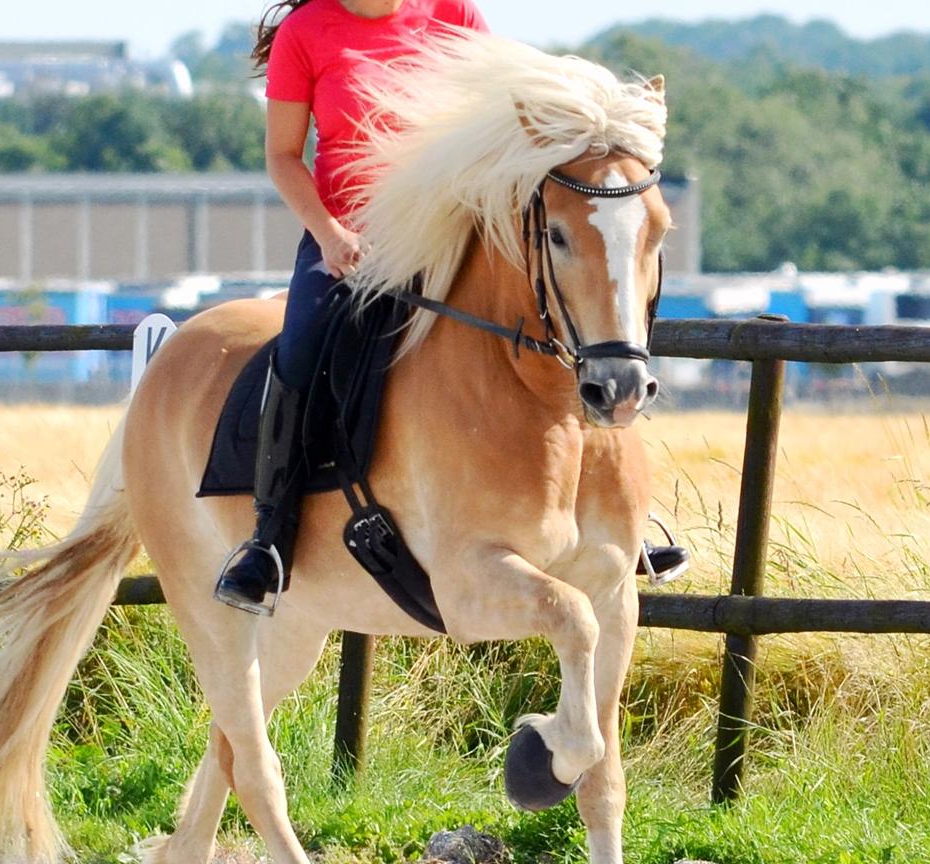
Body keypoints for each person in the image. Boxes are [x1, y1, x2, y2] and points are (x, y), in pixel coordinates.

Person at [214, 0, 687, 614]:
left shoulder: (454, 14)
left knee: (569, 328)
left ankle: (619, 524)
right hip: (352, 237)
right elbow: (283, 157)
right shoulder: (306, 33)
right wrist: (329, 234)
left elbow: (511, 115)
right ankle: (269, 539)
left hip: (452, 232)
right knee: (301, 349)